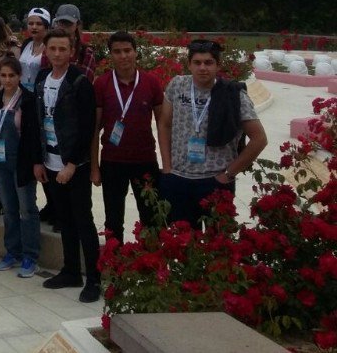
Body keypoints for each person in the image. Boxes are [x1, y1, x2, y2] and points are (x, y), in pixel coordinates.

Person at [157, 40, 267, 228]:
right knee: (183, 244)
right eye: (197, 62)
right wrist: (167, 167)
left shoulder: (233, 94)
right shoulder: (177, 86)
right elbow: (165, 124)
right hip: (179, 179)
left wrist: (228, 174)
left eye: (208, 62)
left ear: (218, 65)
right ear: (189, 64)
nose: (202, 68)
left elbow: (259, 139)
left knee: (218, 247)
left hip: (214, 181)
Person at [30, 29, 101, 303]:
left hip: (74, 166)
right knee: (64, 220)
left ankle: (93, 278)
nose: (57, 54)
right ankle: (70, 270)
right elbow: (37, 122)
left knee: (83, 221)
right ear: (45, 51)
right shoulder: (40, 79)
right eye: (52, 49)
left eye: (63, 49)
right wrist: (38, 160)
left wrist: (72, 163)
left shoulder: (80, 82)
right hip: (49, 162)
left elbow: (86, 128)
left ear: (72, 51)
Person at [90, 31, 165, 244]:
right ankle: (116, 268)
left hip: (145, 161)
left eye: (127, 50)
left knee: (150, 218)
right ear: (110, 55)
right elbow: (94, 129)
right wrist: (94, 168)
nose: (123, 56)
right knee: (113, 220)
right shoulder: (102, 84)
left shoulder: (150, 82)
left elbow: (162, 125)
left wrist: (167, 163)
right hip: (112, 162)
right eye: (117, 52)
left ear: (135, 52)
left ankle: (151, 267)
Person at [0, 57, 41, 277]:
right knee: (9, 210)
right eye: (4, 75)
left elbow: (34, 135)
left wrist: (35, 163)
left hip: (21, 163)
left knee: (26, 210)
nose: (8, 80)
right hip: (0, 162)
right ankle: (13, 251)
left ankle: (30, 255)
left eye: (12, 75)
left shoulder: (28, 100)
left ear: (20, 76)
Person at [53, 4, 97, 82]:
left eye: (69, 23)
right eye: (62, 22)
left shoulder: (86, 52)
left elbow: (85, 82)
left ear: (77, 24)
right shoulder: (49, 48)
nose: (64, 26)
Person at [19, 8, 51, 92]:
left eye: (39, 24)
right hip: (23, 93)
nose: (34, 27)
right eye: (31, 23)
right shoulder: (26, 44)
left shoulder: (50, 47)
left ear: (46, 26)